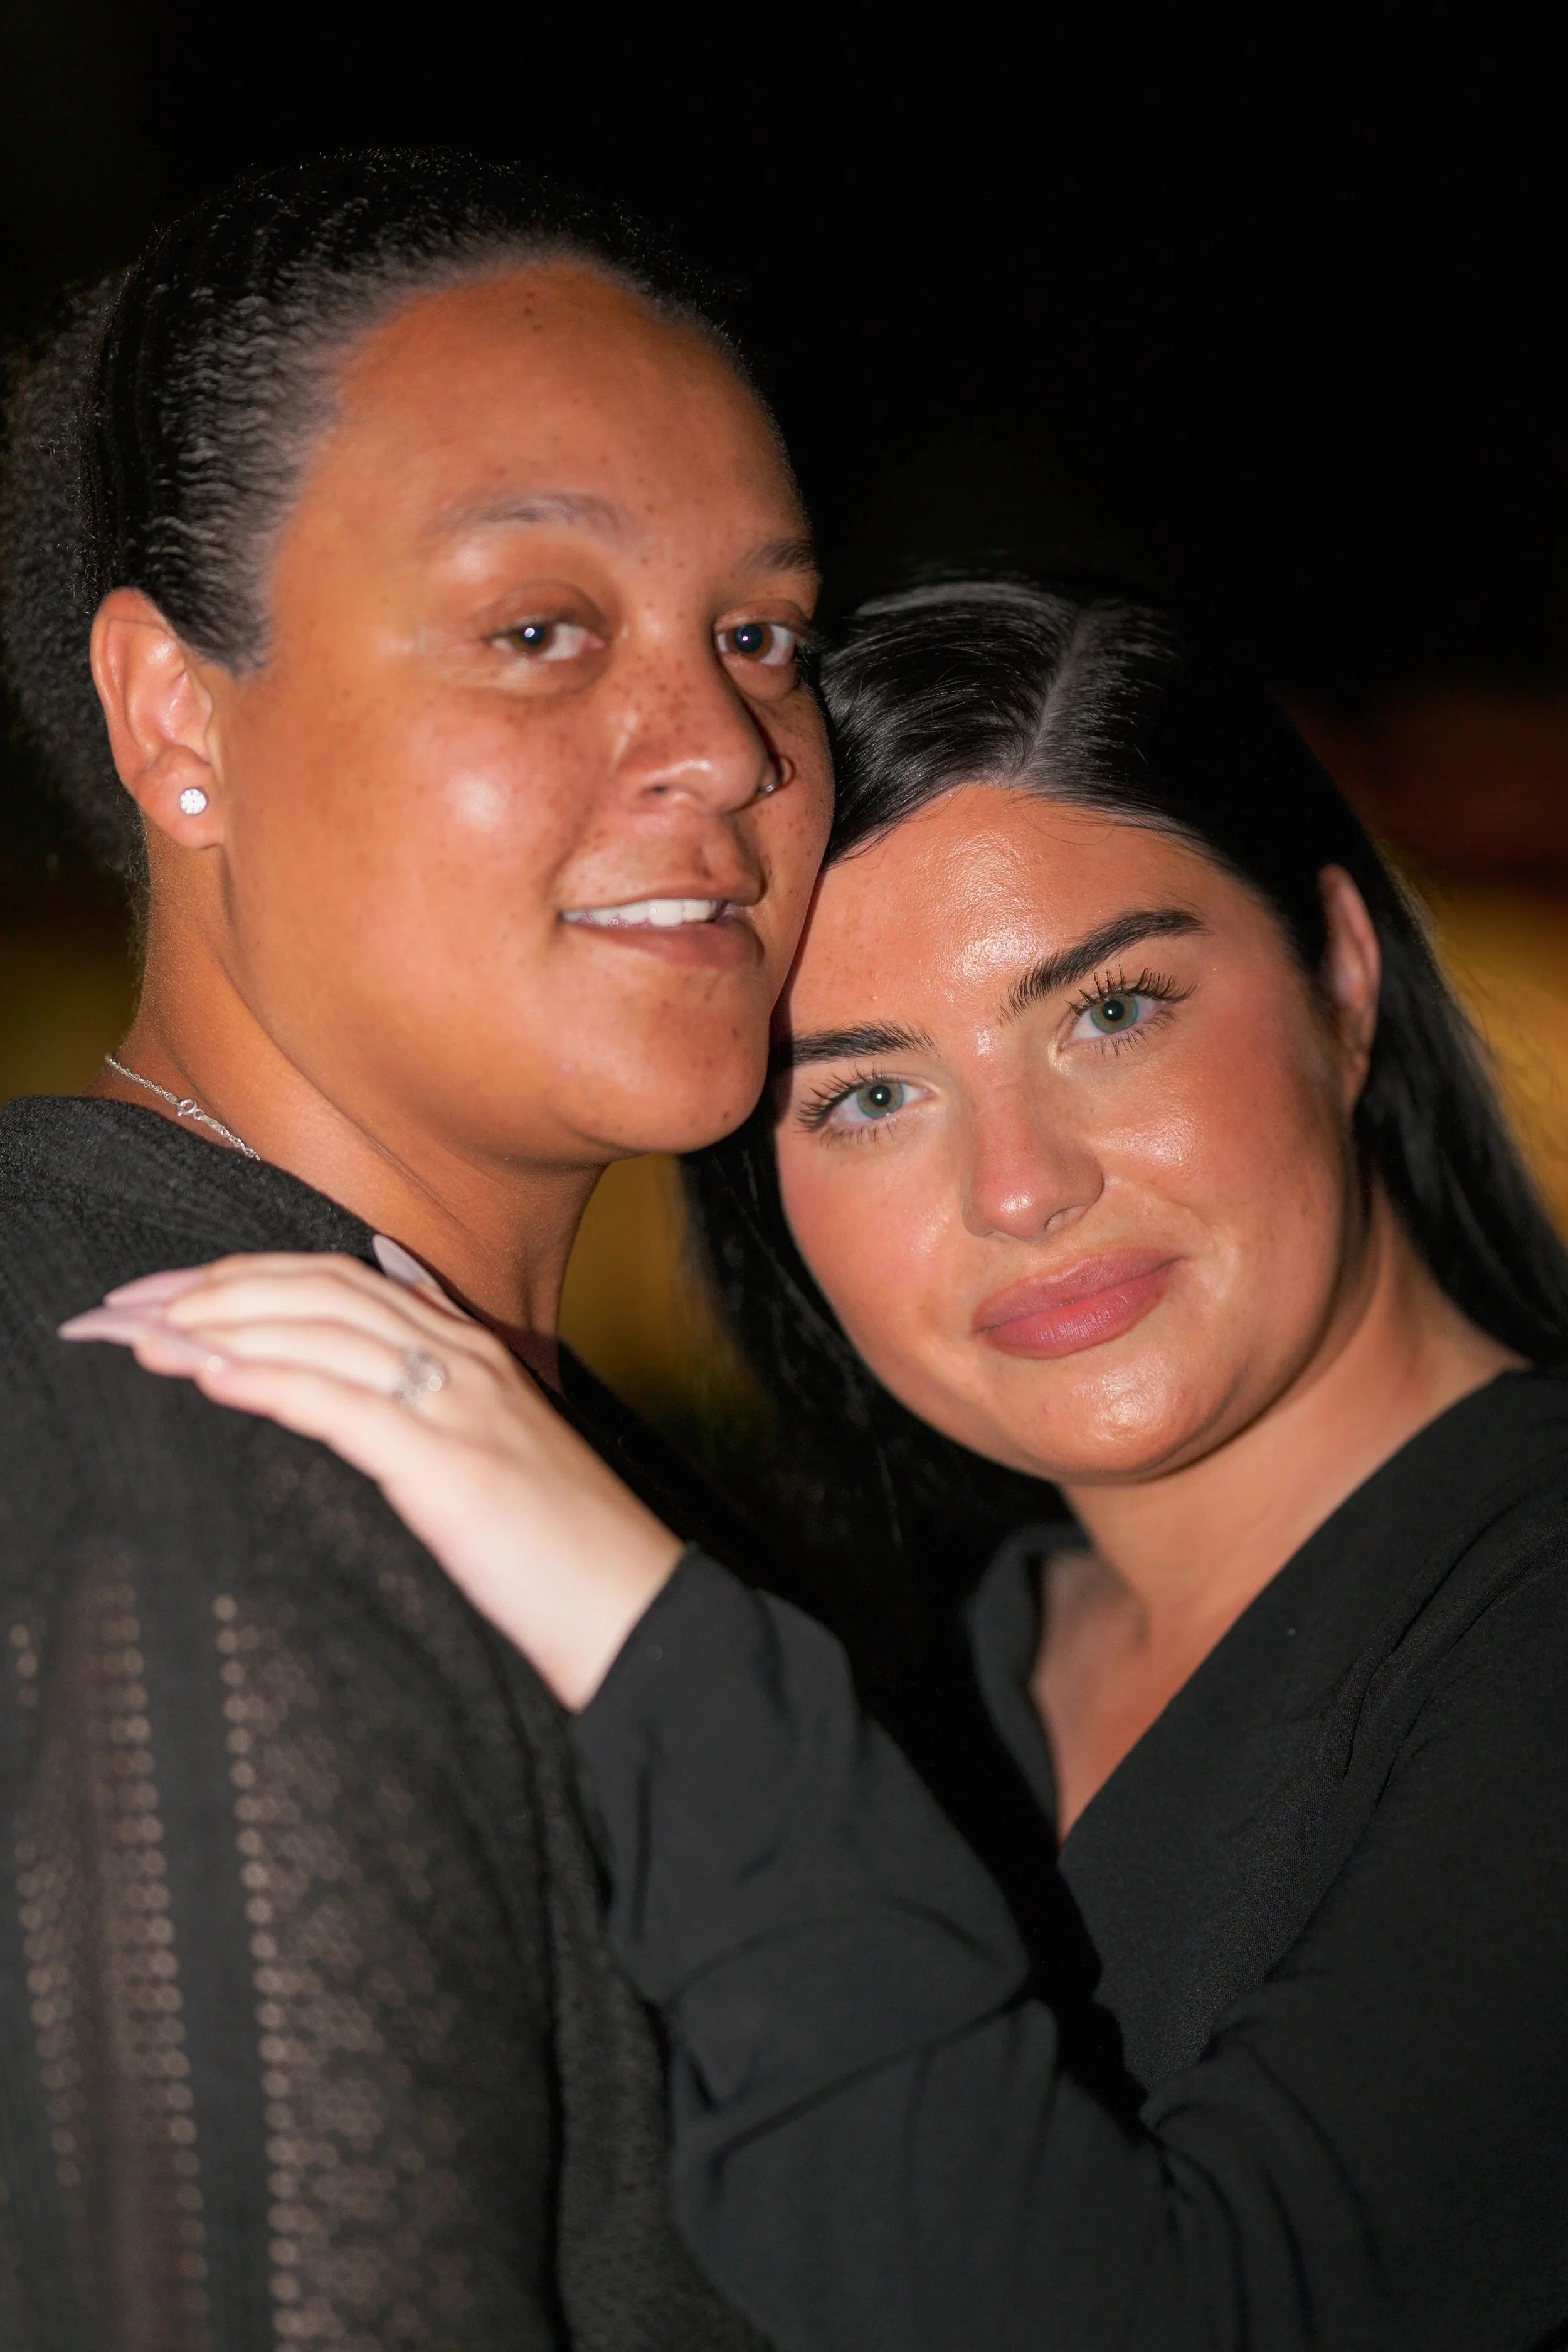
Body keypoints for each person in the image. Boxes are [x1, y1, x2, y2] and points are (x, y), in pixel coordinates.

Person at [87, 581, 1568, 2352]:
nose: (1017, 1185)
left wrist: (660, 1650)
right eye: (865, 1097)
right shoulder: (939, 1690)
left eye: (1110, 1010)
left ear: (1339, 975)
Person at [0, 149, 832, 2349]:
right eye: (539, 630)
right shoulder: (179, 1465)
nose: (729, 747)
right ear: (179, 722)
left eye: (761, 634)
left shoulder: (543, 1467)